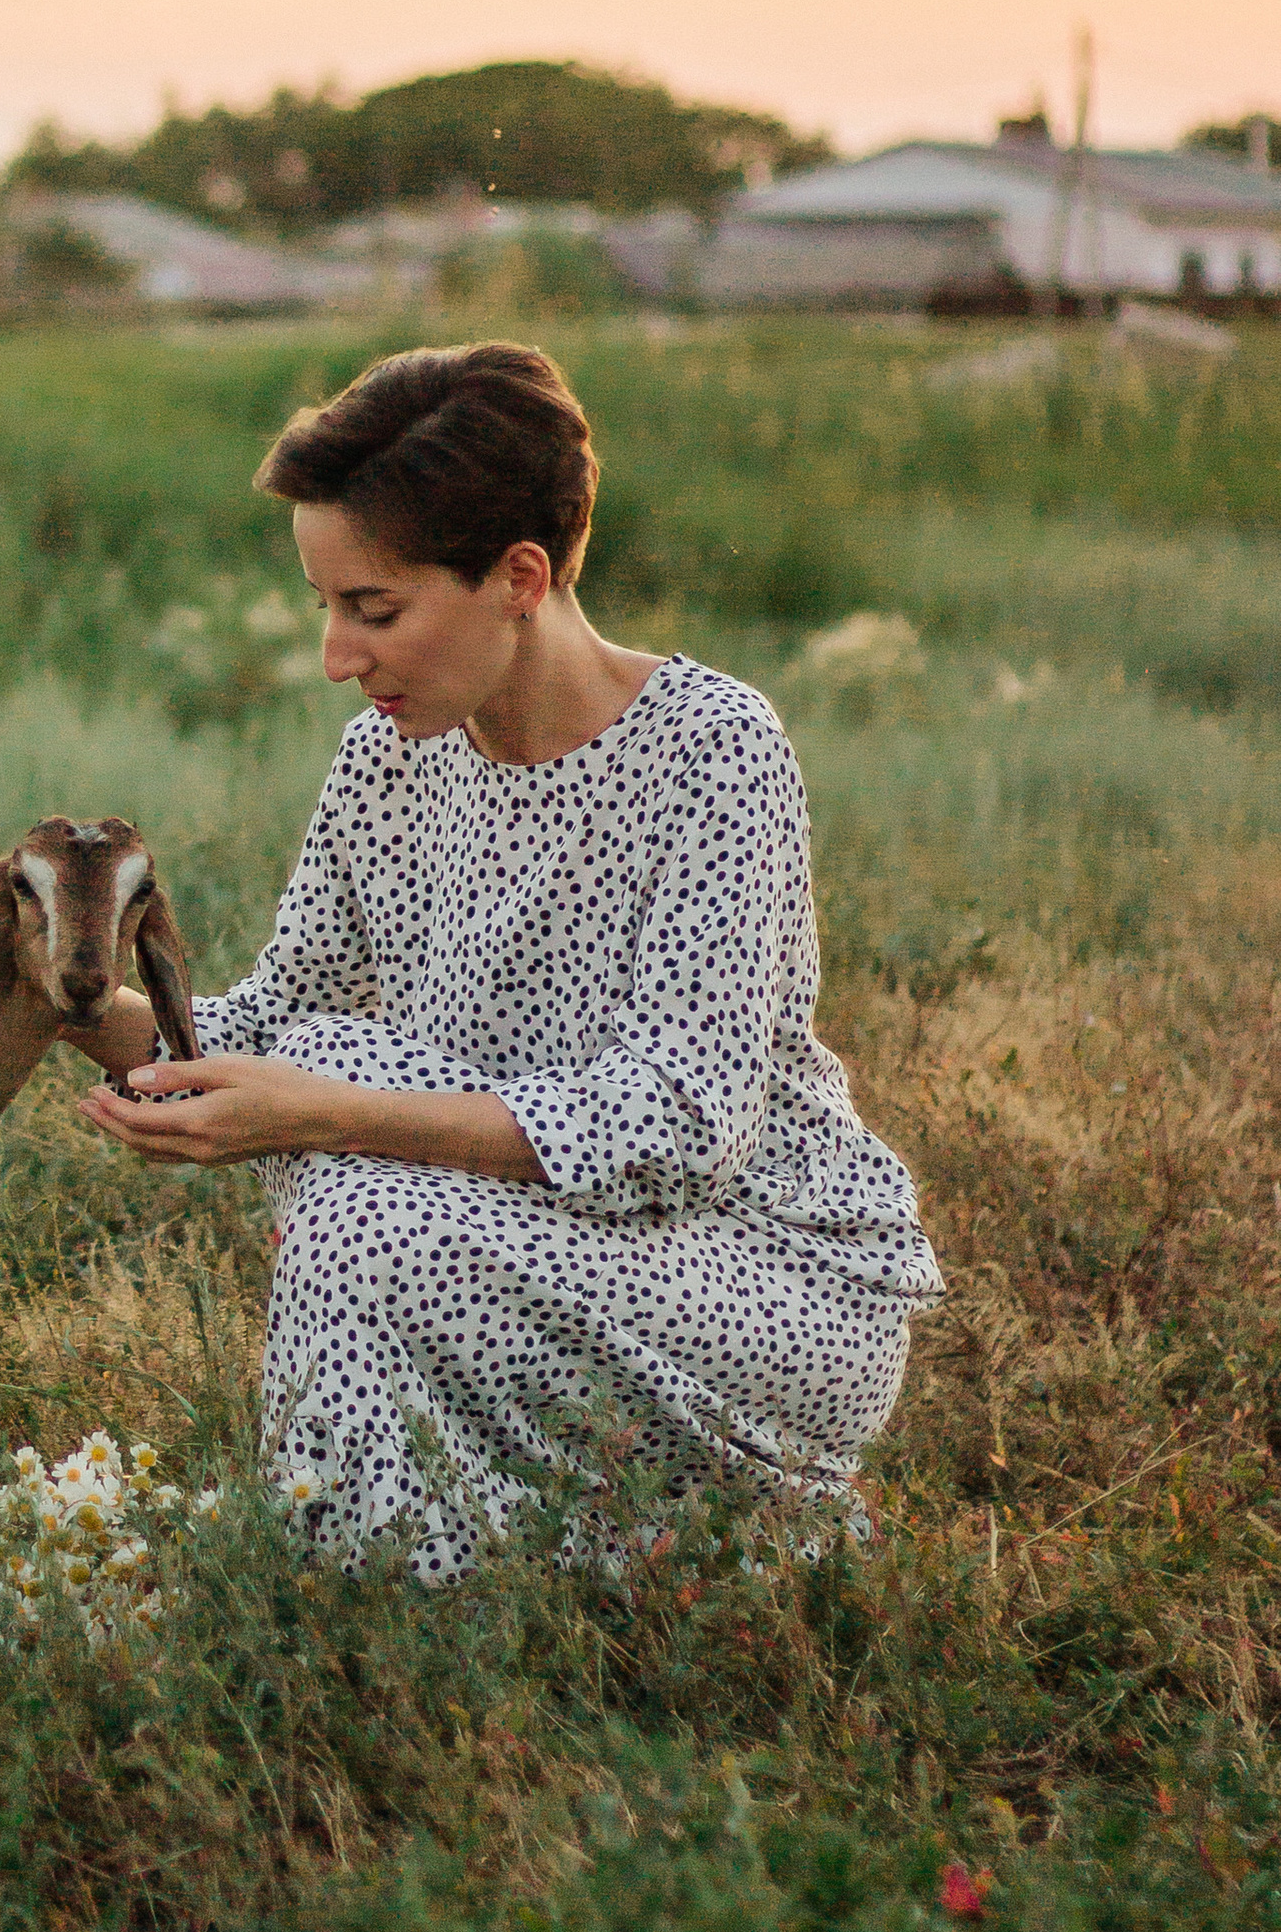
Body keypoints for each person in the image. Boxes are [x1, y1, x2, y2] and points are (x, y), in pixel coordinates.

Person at [74, 341, 941, 1580]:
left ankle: (368, 1596)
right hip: (523, 1241)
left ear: (519, 576)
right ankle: (495, 1559)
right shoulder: (387, 756)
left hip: (762, 1274)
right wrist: (49, 997)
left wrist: (332, 1117)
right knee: (327, 1087)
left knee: (359, 1191)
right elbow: (259, 1025)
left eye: (372, 610)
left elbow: (681, 1124)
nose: (336, 655)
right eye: (326, 608)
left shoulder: (714, 748)